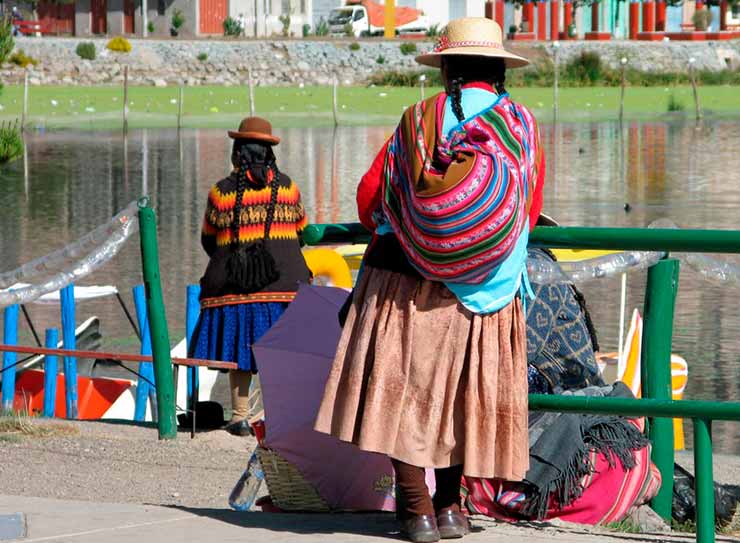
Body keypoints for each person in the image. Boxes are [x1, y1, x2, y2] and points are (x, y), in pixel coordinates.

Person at [315, 18, 545, 542]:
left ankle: (414, 511)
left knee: (403, 394)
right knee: (463, 396)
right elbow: (529, 208)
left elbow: (373, 195)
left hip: (404, 279)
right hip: (487, 290)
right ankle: (451, 510)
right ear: (498, 68)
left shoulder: (418, 119)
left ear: (446, 67)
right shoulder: (521, 125)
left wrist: (424, 233)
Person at [190, 117, 311, 437]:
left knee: (240, 349)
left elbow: (209, 240)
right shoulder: (288, 187)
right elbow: (301, 232)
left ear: (237, 153)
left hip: (234, 289)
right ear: (269, 154)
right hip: (285, 289)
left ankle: (239, 416)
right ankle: (275, 417)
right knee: (278, 355)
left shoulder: (221, 193)